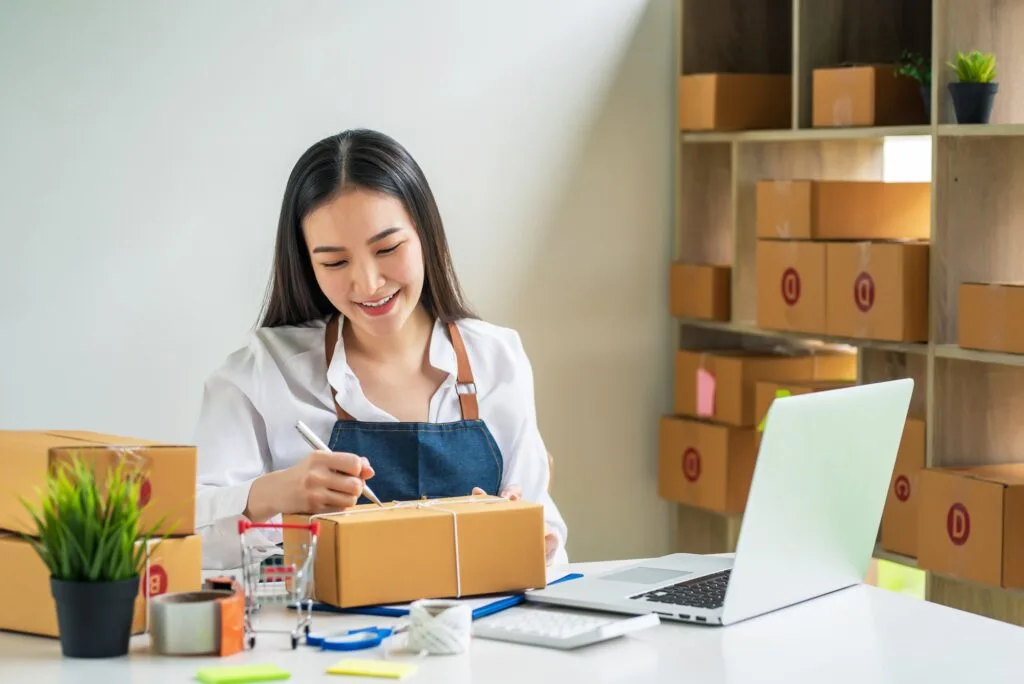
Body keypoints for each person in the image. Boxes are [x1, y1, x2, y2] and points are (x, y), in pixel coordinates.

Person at [193, 128, 568, 570]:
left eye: (387, 248)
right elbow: (189, 539)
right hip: (326, 636)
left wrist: (533, 540)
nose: (368, 284)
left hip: (474, 634)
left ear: (425, 234)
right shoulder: (263, 371)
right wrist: (272, 494)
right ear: (306, 263)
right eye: (334, 262)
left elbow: (547, 533)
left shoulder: (497, 358)